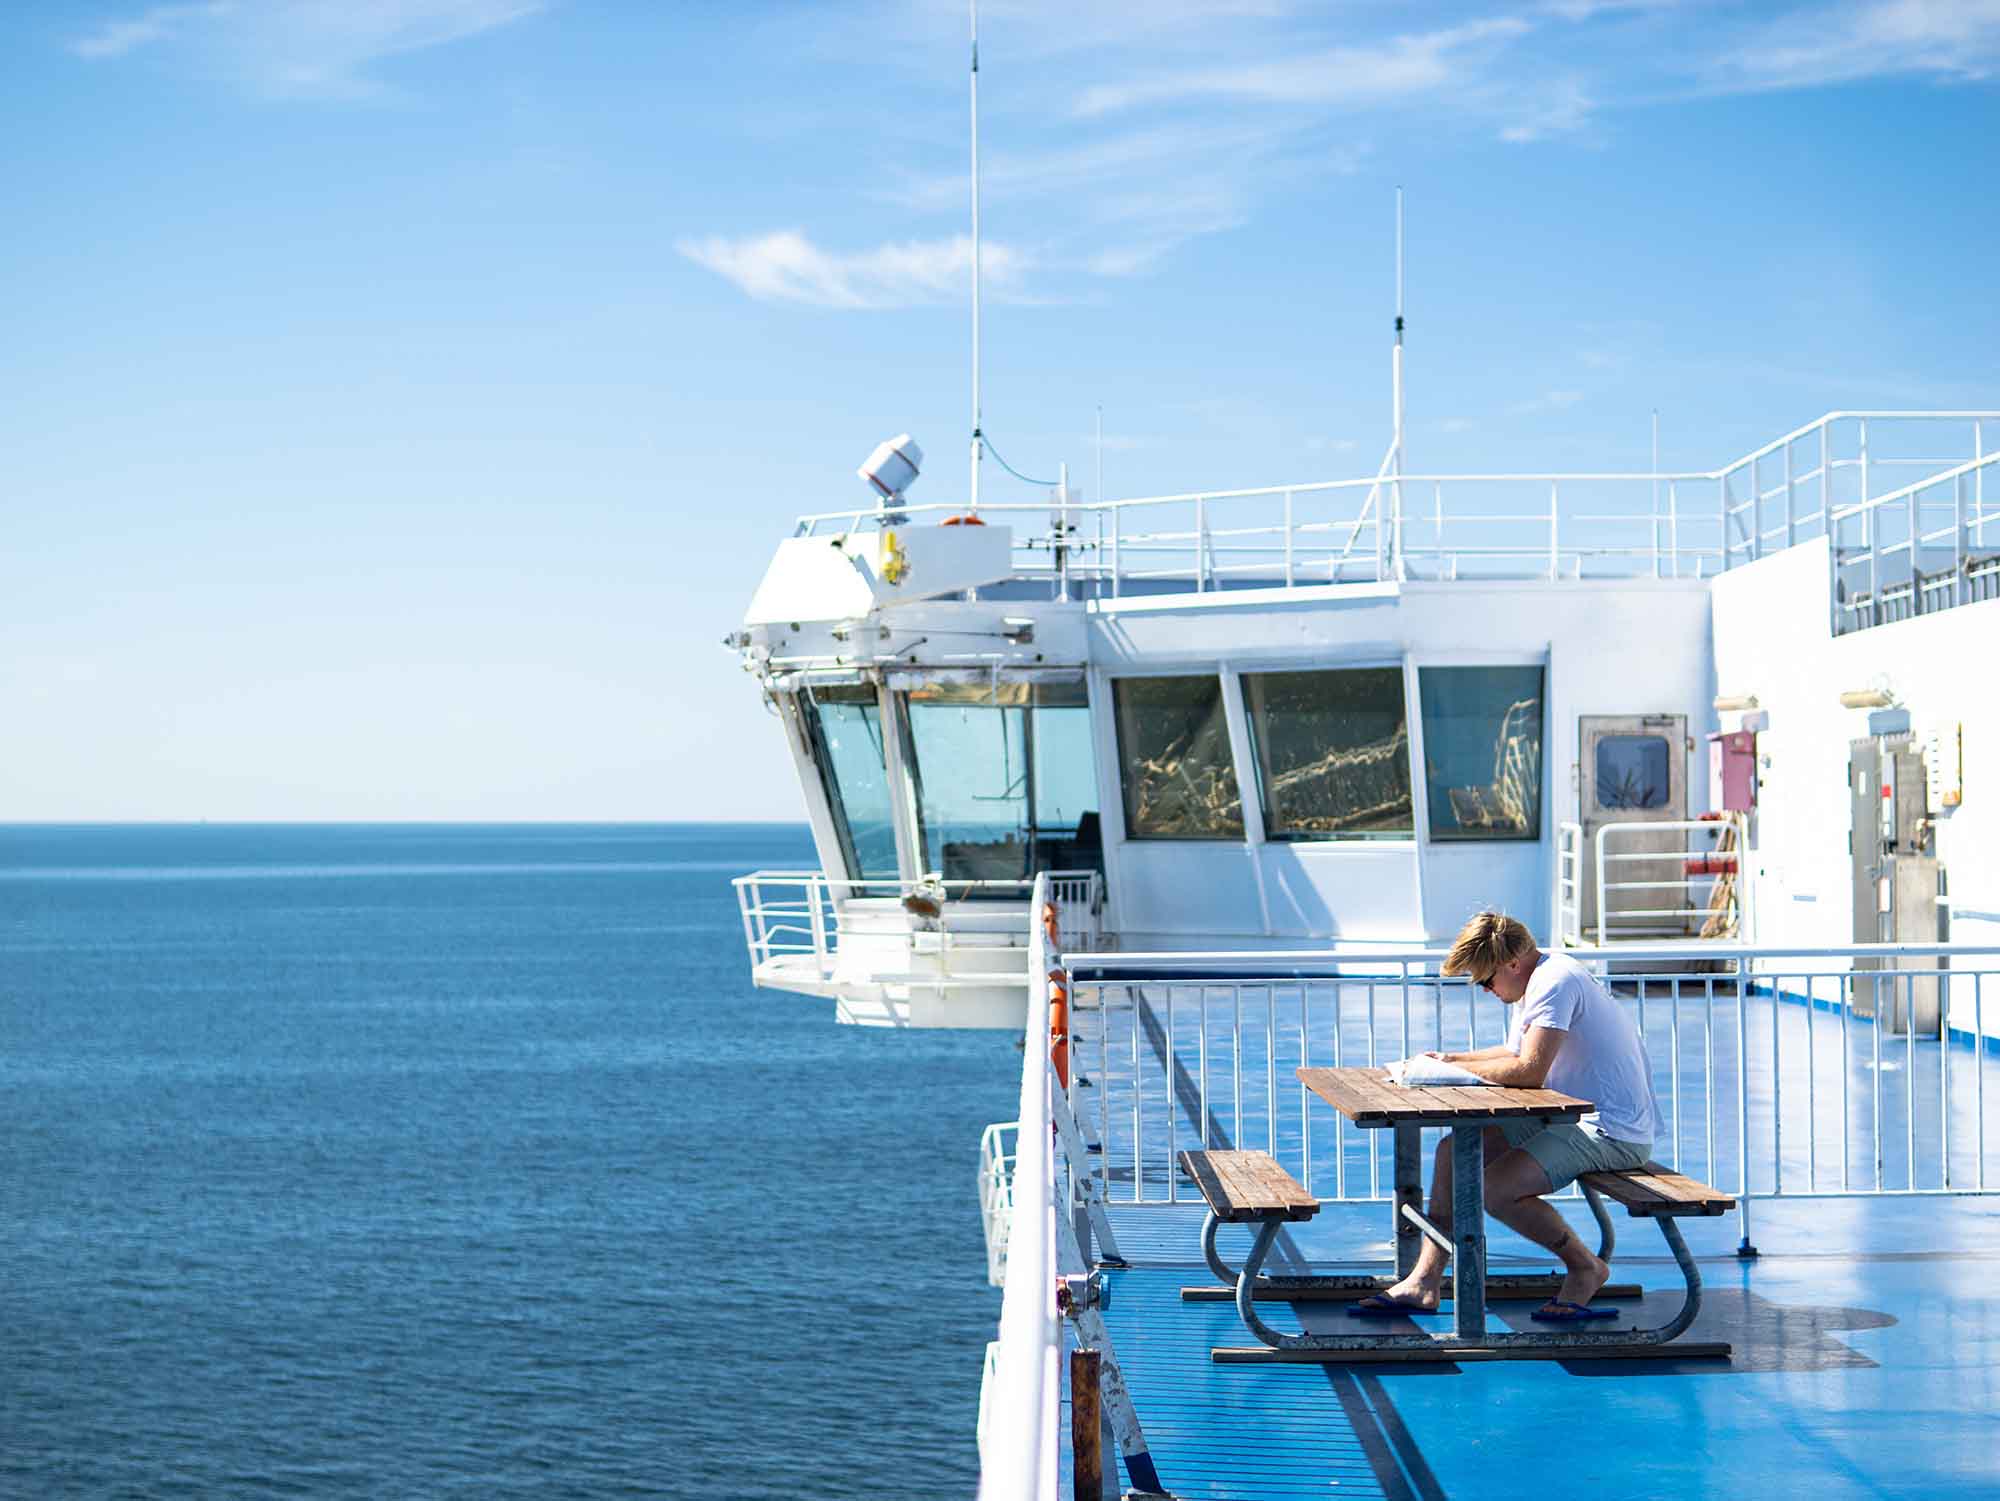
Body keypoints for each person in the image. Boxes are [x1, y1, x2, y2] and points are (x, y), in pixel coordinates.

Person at [1354, 911, 1662, 1322]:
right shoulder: (1539, 976)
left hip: (1610, 1130)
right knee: (1453, 1154)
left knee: (1497, 1190)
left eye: (1486, 980)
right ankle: (1425, 1281)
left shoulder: (1555, 982)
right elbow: (1515, 1052)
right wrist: (1450, 1060)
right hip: (1571, 1118)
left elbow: (1529, 1071)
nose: (1486, 990)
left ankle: (1586, 1267)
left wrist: (1461, 1073)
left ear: (1511, 964)